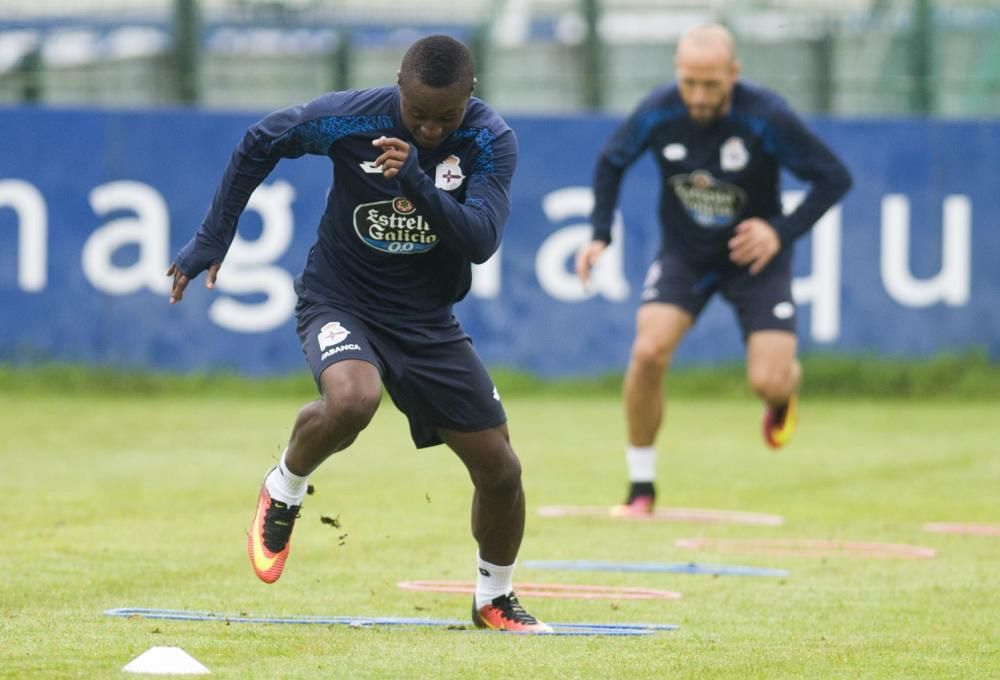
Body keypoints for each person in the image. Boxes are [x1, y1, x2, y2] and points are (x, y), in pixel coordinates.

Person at [167, 35, 550, 632]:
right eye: (417, 113)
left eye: (444, 117)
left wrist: (417, 180)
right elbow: (261, 140)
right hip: (339, 298)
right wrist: (215, 235)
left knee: (500, 469)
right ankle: (284, 486)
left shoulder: (488, 139)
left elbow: (479, 240)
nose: (428, 128)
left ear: (468, 96)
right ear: (398, 84)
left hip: (426, 321)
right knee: (353, 398)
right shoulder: (352, 119)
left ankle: (492, 598)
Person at [575, 24, 852, 514]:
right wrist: (600, 233)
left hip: (755, 259)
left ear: (734, 73)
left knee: (768, 382)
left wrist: (779, 231)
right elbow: (611, 160)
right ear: (677, 73)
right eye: (689, 83)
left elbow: (834, 177)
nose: (698, 97)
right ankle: (641, 488)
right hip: (686, 254)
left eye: (711, 84)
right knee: (647, 352)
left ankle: (785, 389)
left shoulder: (766, 116)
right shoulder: (659, 110)